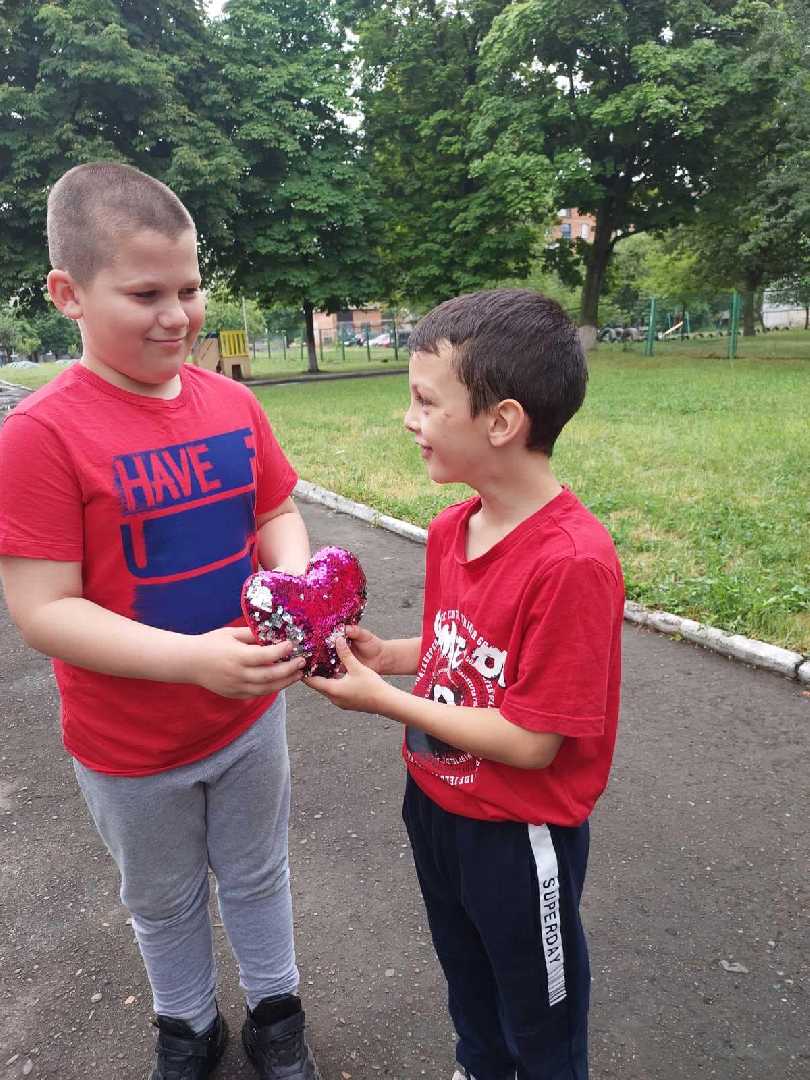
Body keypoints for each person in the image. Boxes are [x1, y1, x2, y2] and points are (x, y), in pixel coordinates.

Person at [0, 162, 321, 1080]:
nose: (177, 315)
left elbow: (275, 509)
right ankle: (188, 1025)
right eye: (145, 294)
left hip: (249, 718)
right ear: (68, 294)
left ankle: (276, 1011)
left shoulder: (234, 403)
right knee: (164, 898)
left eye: (189, 288)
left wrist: (291, 584)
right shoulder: (40, 435)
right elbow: (43, 611)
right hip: (128, 744)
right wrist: (191, 661)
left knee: (258, 874)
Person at [308, 288, 624, 1080]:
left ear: (502, 421)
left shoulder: (572, 563)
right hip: (435, 805)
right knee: (467, 979)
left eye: (425, 401)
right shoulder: (455, 526)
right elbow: (465, 643)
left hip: (517, 833)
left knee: (541, 1012)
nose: (407, 419)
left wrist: (382, 700)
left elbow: (531, 740)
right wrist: (389, 655)